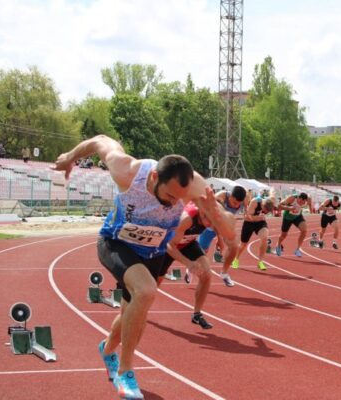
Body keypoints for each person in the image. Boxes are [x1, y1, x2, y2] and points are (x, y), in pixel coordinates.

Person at [52, 134, 235, 400]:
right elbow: (100, 141)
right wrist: (70, 157)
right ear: (154, 178)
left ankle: (107, 349)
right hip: (116, 242)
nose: (174, 203)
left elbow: (230, 232)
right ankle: (126, 372)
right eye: (169, 195)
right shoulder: (127, 171)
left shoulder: (195, 186)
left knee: (133, 314)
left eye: (180, 199)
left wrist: (216, 214)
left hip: (152, 251)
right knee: (147, 291)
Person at [160, 201, 214, 329]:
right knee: (153, 284)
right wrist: (188, 263)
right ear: (202, 213)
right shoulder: (187, 219)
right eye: (209, 221)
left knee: (206, 274)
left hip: (188, 243)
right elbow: (169, 245)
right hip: (168, 246)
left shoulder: (213, 215)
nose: (211, 225)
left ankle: (197, 314)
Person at [197, 185, 246, 287]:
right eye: (234, 203)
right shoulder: (220, 198)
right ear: (230, 196)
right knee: (201, 253)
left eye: (238, 204)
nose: (236, 206)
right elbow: (215, 219)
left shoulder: (244, 200)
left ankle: (224, 273)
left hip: (224, 225)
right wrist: (220, 239)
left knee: (234, 247)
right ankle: (192, 269)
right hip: (210, 224)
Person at [232, 190, 276, 271]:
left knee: (265, 238)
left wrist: (272, 190)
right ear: (262, 205)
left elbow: (272, 193)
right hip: (249, 223)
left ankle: (260, 261)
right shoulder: (255, 202)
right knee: (243, 244)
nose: (265, 212)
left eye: (267, 212)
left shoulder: (271, 201)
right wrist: (258, 218)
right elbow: (247, 217)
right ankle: (236, 259)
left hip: (260, 222)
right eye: (265, 210)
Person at [275, 192, 312, 257]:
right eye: (300, 201)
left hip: (297, 217)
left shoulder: (307, 199)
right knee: (283, 235)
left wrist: (310, 208)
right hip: (287, 218)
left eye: (303, 202)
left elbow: (309, 206)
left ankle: (297, 249)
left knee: (304, 231)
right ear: (298, 198)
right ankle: (278, 245)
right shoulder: (291, 198)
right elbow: (279, 206)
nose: (301, 203)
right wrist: (289, 208)